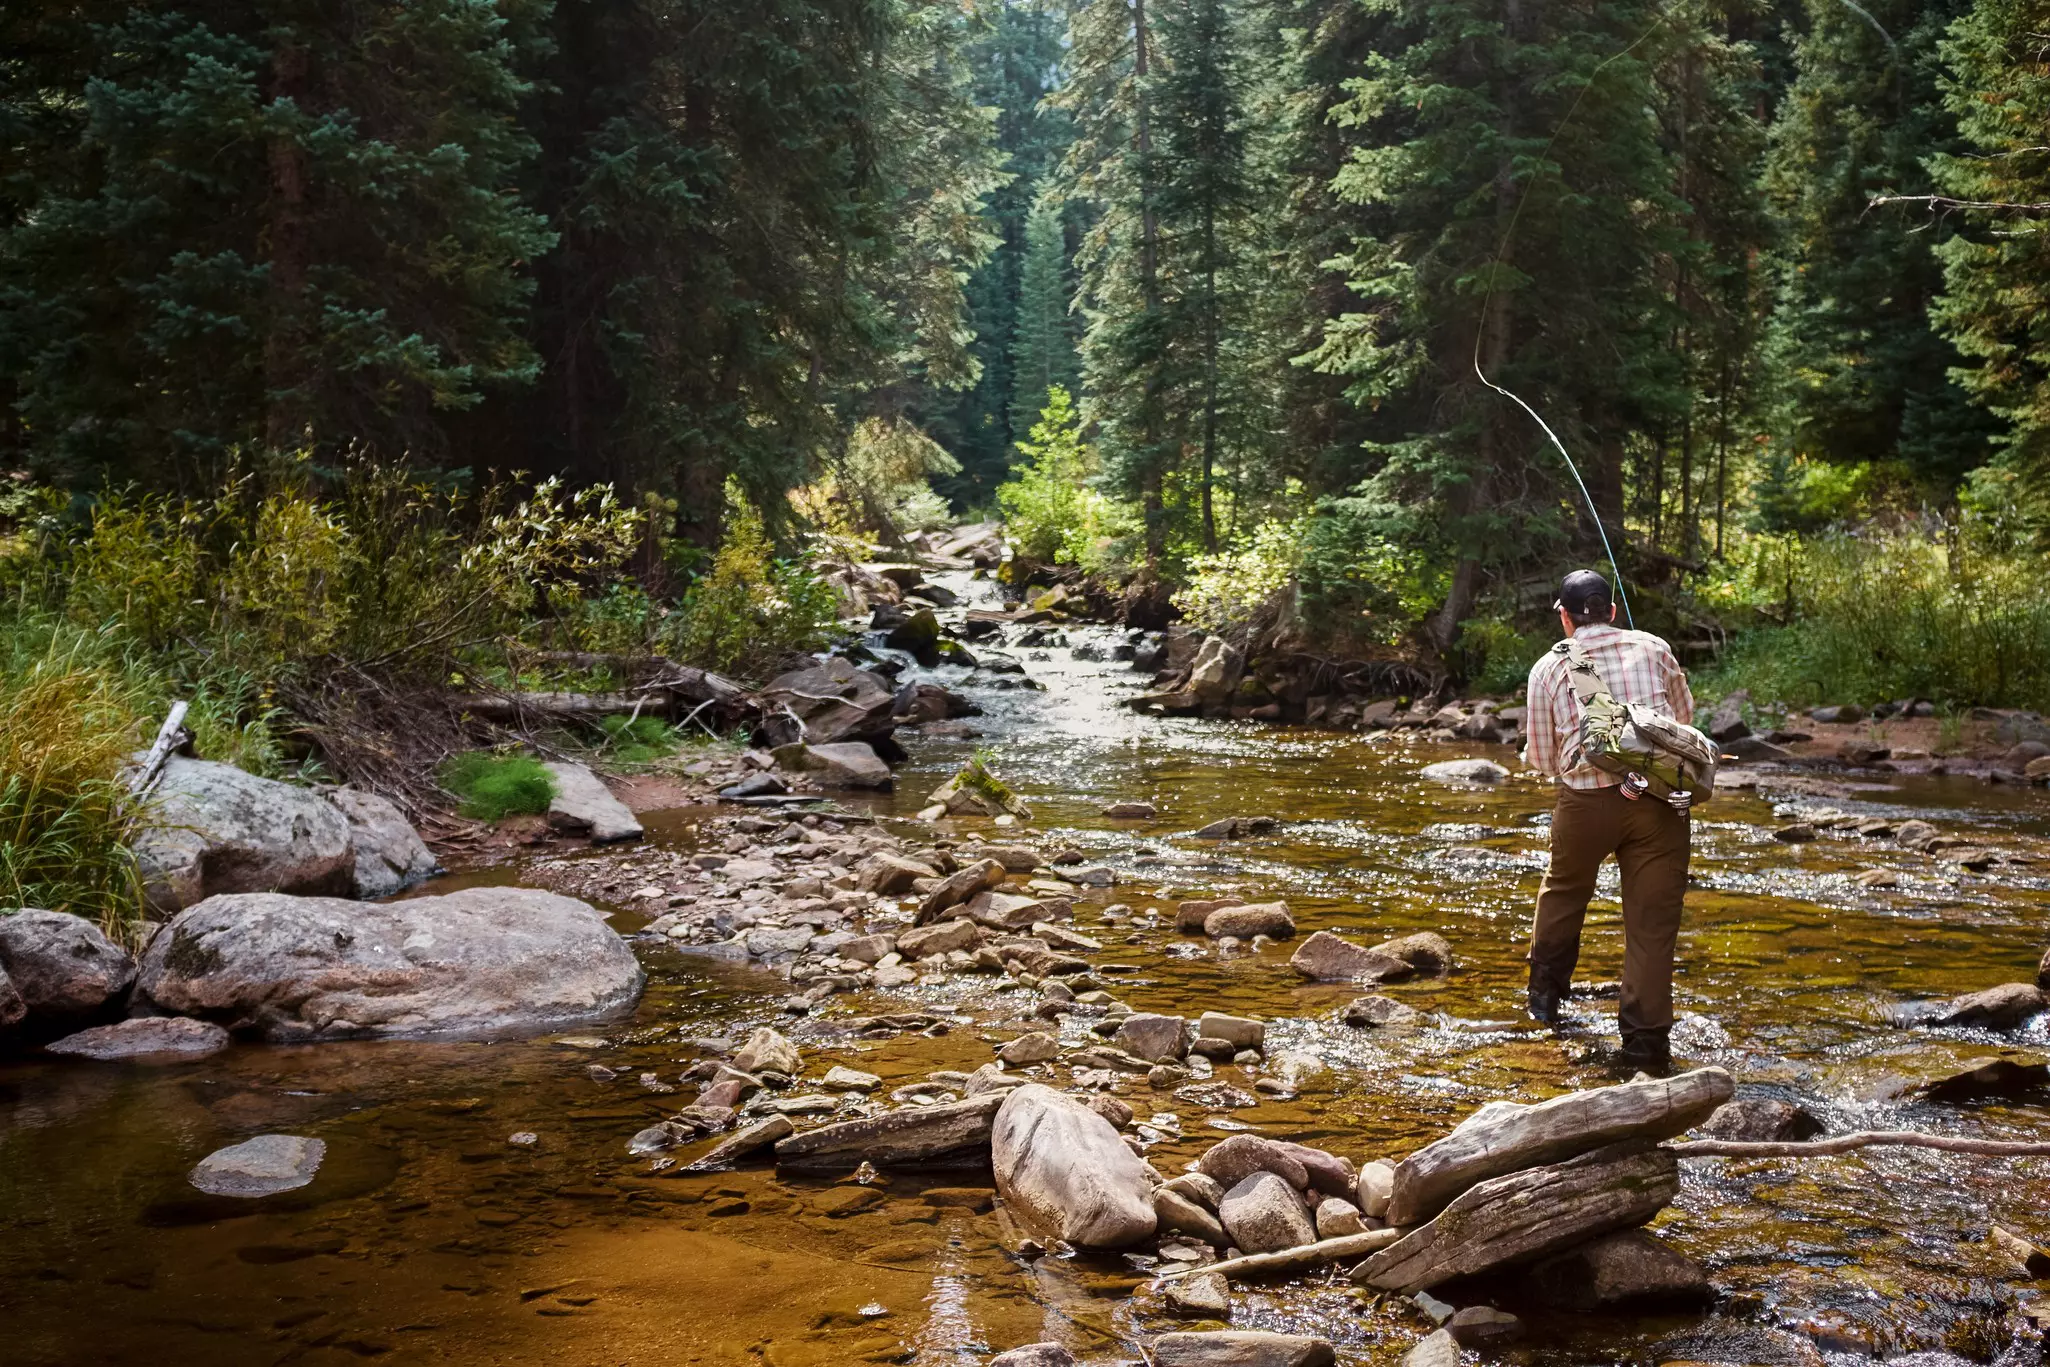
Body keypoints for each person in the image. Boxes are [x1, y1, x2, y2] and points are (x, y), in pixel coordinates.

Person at [1522, 569, 1695, 1075]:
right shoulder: (1656, 648)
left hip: (1586, 804)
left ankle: (1545, 1003)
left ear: (1565, 617)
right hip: (1660, 802)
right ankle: (1646, 1044)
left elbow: (1544, 760)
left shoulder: (1549, 667)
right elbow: (1683, 723)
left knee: (1564, 891)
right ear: (1613, 611)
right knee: (1651, 926)